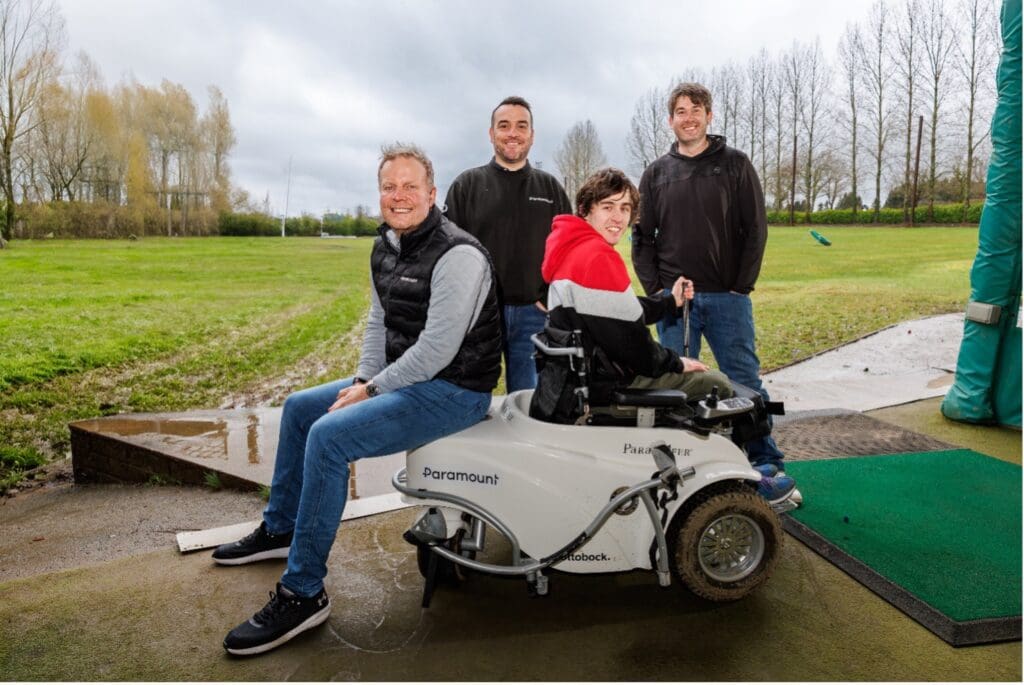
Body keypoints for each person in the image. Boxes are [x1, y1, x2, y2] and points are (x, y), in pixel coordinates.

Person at [213, 143, 502, 656]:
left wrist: (370, 391)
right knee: (301, 408)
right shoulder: (387, 245)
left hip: (455, 390)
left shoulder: (458, 254)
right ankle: (280, 529)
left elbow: (436, 351)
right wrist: (364, 379)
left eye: (410, 186)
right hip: (405, 379)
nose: (399, 196)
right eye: (389, 187)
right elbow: (379, 322)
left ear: (432, 194)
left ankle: (303, 593)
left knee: (328, 438)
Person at [533, 167, 795, 504]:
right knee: (718, 384)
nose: (618, 218)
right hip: (607, 383)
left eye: (625, 208)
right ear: (586, 209)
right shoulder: (597, 257)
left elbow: (620, 312)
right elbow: (636, 348)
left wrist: (668, 301)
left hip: (578, 379)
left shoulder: (571, 249)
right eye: (607, 207)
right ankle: (745, 484)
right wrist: (676, 362)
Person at [631, 82, 797, 502]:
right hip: (676, 302)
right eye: (680, 111)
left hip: (727, 298)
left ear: (709, 115)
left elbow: (755, 229)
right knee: (676, 385)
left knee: (743, 381)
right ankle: (681, 468)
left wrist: (740, 286)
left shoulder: (735, 165)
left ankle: (764, 460)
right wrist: (659, 291)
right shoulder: (656, 174)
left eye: (696, 110)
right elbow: (642, 238)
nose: (688, 118)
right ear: (670, 120)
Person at [445, 95, 572, 392]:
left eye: (521, 126)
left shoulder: (550, 188)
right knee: (471, 396)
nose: (513, 133)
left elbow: (570, 248)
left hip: (533, 315)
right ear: (491, 133)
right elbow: (446, 252)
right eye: (504, 125)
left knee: (527, 398)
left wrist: (550, 295)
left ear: (532, 135)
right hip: (478, 314)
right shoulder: (466, 186)